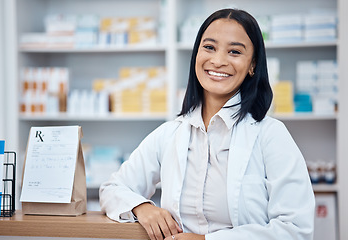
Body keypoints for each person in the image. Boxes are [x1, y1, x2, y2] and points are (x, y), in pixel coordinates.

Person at [99, 8, 315, 240]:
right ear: (196, 55)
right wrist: (142, 207)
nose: (218, 61)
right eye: (209, 47)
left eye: (234, 51)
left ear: (252, 65)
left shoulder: (270, 135)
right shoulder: (170, 134)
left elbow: (295, 229)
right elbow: (112, 189)